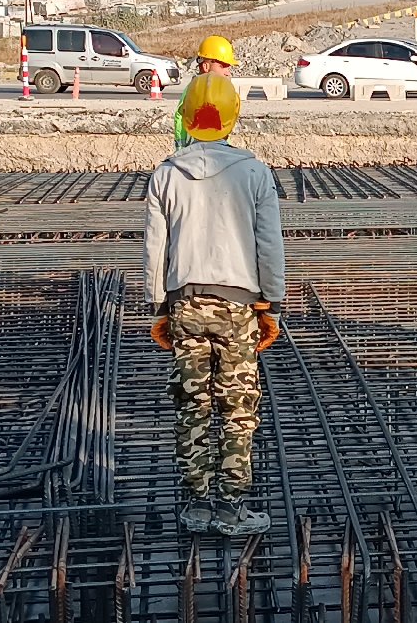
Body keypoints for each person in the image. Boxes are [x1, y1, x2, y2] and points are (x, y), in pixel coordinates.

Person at [145, 73, 285, 536]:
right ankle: (232, 509)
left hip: (184, 305)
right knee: (238, 408)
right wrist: (273, 306)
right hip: (239, 308)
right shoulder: (254, 172)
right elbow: (269, 246)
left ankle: (197, 506)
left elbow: (155, 249)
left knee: (192, 405)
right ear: (231, 118)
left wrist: (158, 307)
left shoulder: (165, 174)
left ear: (187, 118)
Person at [175, 35, 236, 151]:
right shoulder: (195, 93)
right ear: (206, 66)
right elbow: (181, 122)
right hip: (196, 153)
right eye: (223, 66)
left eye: (229, 67)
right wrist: (182, 151)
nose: (228, 72)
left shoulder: (219, 91)